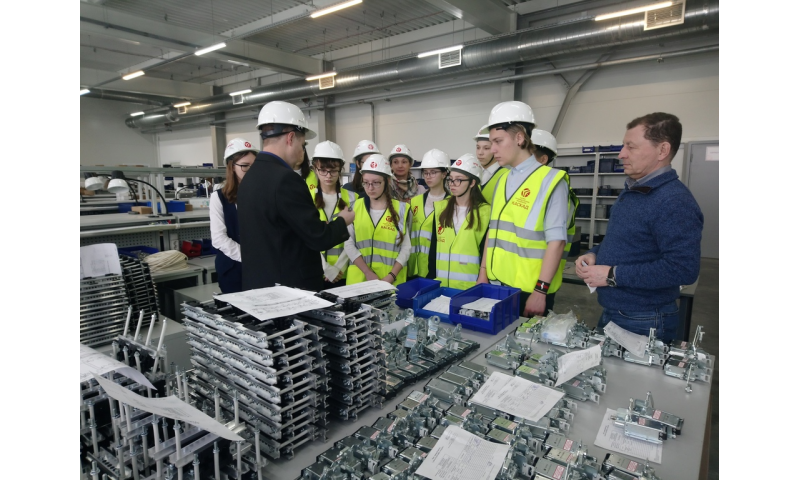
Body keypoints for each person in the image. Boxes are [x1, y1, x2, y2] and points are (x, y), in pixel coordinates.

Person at [575, 113, 703, 342]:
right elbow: (625, 239)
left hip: (645, 319)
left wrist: (612, 275)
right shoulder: (635, 190)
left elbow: (683, 268)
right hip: (616, 310)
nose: (621, 154)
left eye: (631, 147)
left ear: (662, 150)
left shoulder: (674, 201)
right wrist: (594, 254)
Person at [237, 100, 356, 292]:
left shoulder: (249, 178)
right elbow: (318, 238)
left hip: (258, 286)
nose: (302, 152)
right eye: (303, 144)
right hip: (289, 291)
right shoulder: (286, 179)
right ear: (291, 137)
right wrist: (343, 220)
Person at [476, 101, 570, 317]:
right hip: (497, 284)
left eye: (498, 141)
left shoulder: (551, 180)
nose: (493, 149)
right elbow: (493, 230)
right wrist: (483, 273)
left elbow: (557, 241)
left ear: (519, 138)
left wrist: (540, 291)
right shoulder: (503, 179)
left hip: (529, 290)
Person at [344, 154, 411, 285]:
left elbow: (406, 248)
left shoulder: (401, 209)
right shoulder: (355, 207)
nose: (370, 188)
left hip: (390, 282)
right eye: (366, 182)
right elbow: (348, 244)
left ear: (388, 181)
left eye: (376, 183)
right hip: (359, 282)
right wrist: (367, 272)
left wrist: (391, 276)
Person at [427, 154, 491, 289]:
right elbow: (433, 249)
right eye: (450, 179)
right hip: (441, 286)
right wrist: (432, 281)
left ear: (472, 183)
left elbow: (486, 252)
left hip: (470, 287)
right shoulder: (441, 208)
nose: (452, 184)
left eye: (458, 180)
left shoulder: (485, 212)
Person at [529, 129, 581, 288]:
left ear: (543, 159)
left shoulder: (555, 187)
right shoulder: (522, 187)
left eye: (528, 156)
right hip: (514, 276)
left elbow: (556, 241)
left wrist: (541, 288)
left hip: (539, 279)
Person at [209, 138, 259, 293]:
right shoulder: (218, 198)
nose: (250, 170)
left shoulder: (262, 195)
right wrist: (248, 257)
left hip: (261, 269)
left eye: (254, 166)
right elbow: (219, 238)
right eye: (245, 166)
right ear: (232, 167)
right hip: (232, 270)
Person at [311, 141, 359, 288]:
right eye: (323, 170)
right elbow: (305, 236)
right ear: (315, 169)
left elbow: (355, 237)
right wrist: (326, 268)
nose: (328, 175)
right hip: (315, 271)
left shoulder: (353, 198)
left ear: (340, 170)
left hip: (343, 273)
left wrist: (338, 268)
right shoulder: (306, 197)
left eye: (333, 170)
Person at [408, 149, 450, 279]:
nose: (428, 176)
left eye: (433, 172)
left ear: (444, 174)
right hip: (414, 267)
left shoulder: (451, 203)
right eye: (425, 172)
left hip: (437, 267)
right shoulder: (415, 201)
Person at [475, 124, 504, 204]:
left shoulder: (506, 175)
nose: (480, 153)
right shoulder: (473, 172)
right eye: (478, 147)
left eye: (486, 148)